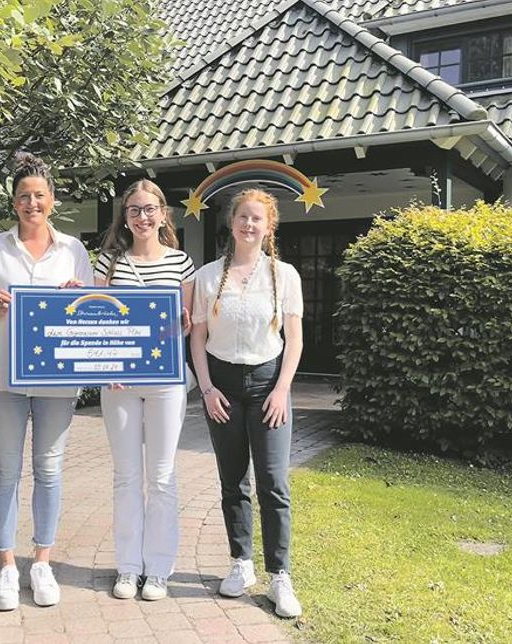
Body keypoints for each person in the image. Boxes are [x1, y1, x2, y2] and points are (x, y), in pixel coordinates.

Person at [0, 152, 93, 611]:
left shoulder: (74, 250)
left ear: (52, 201)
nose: (31, 203)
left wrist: (79, 300)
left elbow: (91, 313)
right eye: (23, 197)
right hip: (2, 376)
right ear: (13, 203)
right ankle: (6, 566)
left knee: (50, 469)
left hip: (58, 379)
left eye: (39, 196)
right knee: (6, 471)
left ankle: (42, 563)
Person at [189, 188, 304, 618]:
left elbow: (293, 340)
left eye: (258, 219)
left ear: (268, 226)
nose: (249, 225)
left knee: (273, 483)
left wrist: (281, 390)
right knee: (233, 480)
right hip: (221, 386)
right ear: (231, 222)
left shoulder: (285, 275)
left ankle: (280, 576)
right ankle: (241, 563)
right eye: (243, 218)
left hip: (268, 384)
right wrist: (206, 388)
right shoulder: (206, 277)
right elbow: (196, 338)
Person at [94, 179, 195, 601]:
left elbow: (185, 324)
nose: (142, 217)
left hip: (166, 383)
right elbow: (96, 319)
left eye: (149, 209)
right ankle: (127, 567)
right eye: (134, 210)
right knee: (126, 477)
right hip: (118, 383)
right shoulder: (108, 264)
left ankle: (157, 569)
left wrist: (184, 323)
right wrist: (106, 361)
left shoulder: (181, 263)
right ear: (125, 216)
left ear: (163, 214)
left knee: (162, 476)